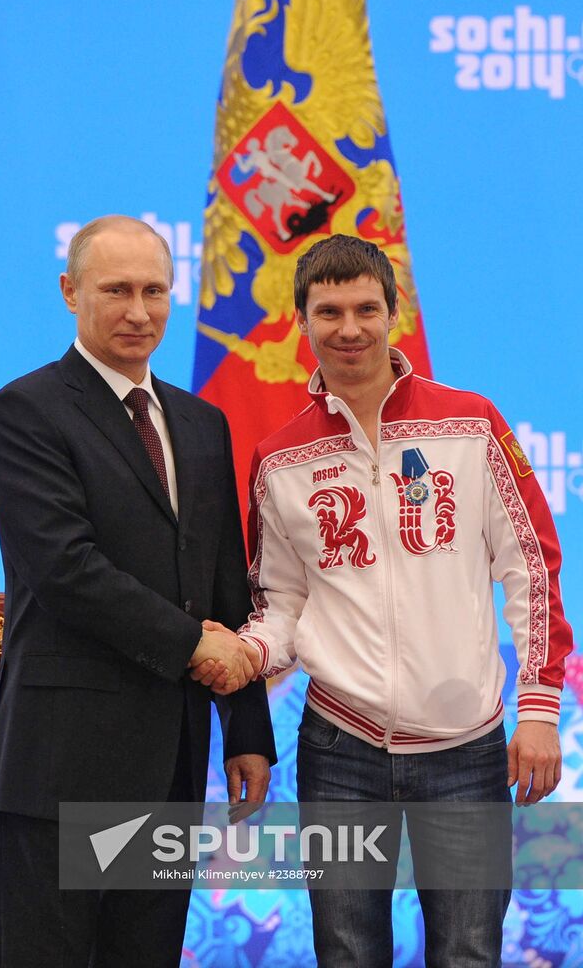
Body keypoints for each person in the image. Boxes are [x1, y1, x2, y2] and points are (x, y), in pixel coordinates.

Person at [202, 234, 572, 966]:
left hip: (467, 746)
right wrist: (246, 652)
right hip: (339, 747)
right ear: (301, 321)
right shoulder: (279, 460)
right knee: (347, 953)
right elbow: (280, 604)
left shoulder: (472, 425)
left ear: (393, 314)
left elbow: (531, 565)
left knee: (468, 952)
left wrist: (538, 709)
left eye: (366, 309)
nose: (349, 328)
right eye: (329, 311)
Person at [0, 215, 276, 968]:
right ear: (69, 291)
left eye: (154, 291)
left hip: (170, 764)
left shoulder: (202, 422)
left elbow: (224, 581)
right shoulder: (25, 411)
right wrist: (193, 644)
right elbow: (66, 569)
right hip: (60, 768)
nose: (138, 312)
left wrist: (245, 730)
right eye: (116, 291)